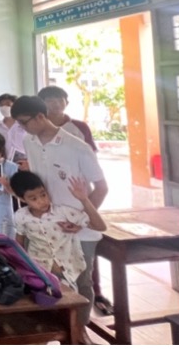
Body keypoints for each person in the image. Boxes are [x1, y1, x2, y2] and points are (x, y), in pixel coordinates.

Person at [11, 95, 108, 342]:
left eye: (24, 122)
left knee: (80, 281)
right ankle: (47, 330)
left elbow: (102, 187)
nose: (22, 128)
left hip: (78, 229)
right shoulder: (29, 141)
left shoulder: (77, 146)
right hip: (43, 226)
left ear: (40, 117)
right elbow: (35, 181)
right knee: (44, 278)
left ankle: (79, 332)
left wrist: (83, 219)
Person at [39, 86, 112, 315]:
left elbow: (97, 177)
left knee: (83, 273)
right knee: (53, 272)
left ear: (66, 102)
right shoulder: (33, 136)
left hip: (80, 205)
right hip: (50, 214)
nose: (54, 104)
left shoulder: (78, 129)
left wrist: (85, 213)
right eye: (48, 100)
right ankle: (60, 322)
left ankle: (81, 327)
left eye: (58, 99)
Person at [10, 170, 106, 343]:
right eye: (33, 198)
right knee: (41, 317)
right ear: (22, 199)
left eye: (43, 194)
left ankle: (76, 336)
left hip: (67, 273)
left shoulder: (63, 212)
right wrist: (19, 269)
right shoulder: (21, 217)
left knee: (70, 314)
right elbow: (19, 244)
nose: (41, 201)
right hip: (40, 275)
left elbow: (100, 226)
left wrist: (84, 198)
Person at [38, 86, 98, 152]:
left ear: (67, 103)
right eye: (51, 101)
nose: (57, 104)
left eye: (60, 100)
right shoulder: (35, 126)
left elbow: (91, 152)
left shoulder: (81, 127)